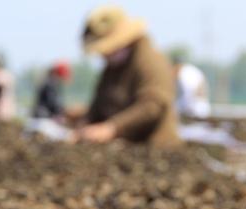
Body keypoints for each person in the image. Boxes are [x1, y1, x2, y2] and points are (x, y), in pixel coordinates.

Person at [76, 5, 182, 148]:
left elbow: (153, 106)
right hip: (124, 150)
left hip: (155, 149)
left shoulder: (151, 63)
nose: (102, 55)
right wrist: (84, 126)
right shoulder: (112, 68)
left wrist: (112, 128)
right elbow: (98, 105)